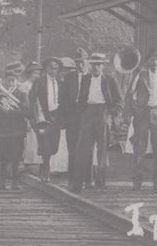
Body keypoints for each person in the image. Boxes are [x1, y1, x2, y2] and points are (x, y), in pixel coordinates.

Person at [71, 51, 122, 193]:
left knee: (102, 151)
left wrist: (113, 114)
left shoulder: (110, 79)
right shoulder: (86, 79)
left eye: (98, 65)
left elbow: (119, 100)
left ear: (103, 66)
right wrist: (80, 112)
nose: (95, 68)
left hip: (103, 113)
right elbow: (81, 98)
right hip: (88, 113)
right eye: (93, 65)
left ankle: (100, 183)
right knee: (82, 149)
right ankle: (78, 184)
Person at [126, 47, 157, 193]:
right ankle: (137, 182)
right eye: (152, 59)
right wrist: (133, 112)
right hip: (143, 113)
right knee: (139, 148)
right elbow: (130, 93)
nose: (155, 62)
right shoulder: (140, 75)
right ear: (147, 61)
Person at [0, 62, 30, 190]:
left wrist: (12, 111)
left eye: (12, 81)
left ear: (17, 81)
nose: (10, 83)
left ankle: (15, 182)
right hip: (3, 132)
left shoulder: (22, 95)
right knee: (3, 158)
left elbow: (26, 112)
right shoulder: (1, 96)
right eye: (8, 81)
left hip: (17, 132)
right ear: (5, 81)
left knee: (16, 158)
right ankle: (2, 181)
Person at [30, 56, 63, 183]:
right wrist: (33, 118)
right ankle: (45, 170)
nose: (53, 71)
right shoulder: (39, 82)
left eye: (55, 68)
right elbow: (32, 99)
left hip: (56, 117)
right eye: (50, 68)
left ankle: (45, 166)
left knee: (54, 145)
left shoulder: (60, 83)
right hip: (42, 116)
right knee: (45, 144)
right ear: (46, 69)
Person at [61, 48, 88, 184]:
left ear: (87, 61)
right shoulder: (69, 78)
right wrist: (64, 120)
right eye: (77, 62)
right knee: (72, 149)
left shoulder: (92, 77)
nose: (80, 65)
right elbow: (63, 99)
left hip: (87, 119)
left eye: (82, 62)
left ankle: (87, 179)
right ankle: (72, 178)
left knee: (87, 149)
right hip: (72, 119)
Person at [18, 61, 43, 173]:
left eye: (38, 73)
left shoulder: (40, 85)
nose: (37, 76)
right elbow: (23, 105)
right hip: (28, 116)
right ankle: (29, 163)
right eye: (34, 73)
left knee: (38, 139)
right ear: (29, 74)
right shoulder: (24, 86)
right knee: (29, 139)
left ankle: (38, 163)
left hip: (39, 115)